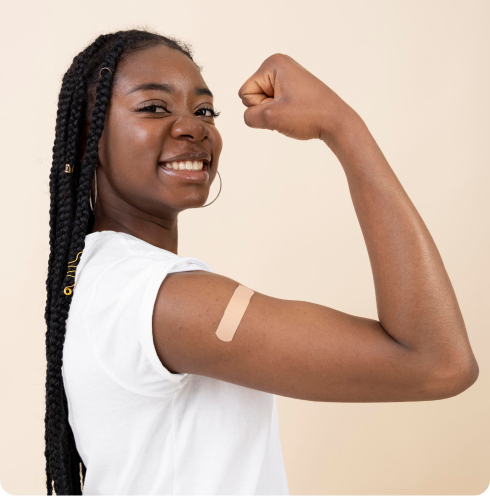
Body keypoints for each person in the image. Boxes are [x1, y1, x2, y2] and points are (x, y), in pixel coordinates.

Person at [44, 29, 479, 495]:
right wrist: (342, 126)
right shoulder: (157, 297)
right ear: (90, 133)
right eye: (154, 107)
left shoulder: (105, 279)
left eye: (205, 110)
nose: (194, 127)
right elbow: (437, 362)